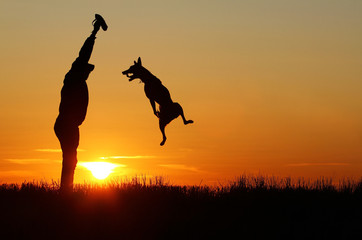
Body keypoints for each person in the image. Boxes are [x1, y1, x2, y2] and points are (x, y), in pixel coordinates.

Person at [54, 14, 108, 193]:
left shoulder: (78, 80)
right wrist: (94, 33)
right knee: (70, 158)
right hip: (66, 124)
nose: (88, 72)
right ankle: (65, 191)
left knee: (72, 159)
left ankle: (66, 189)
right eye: (87, 70)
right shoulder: (74, 77)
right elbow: (83, 54)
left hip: (70, 125)